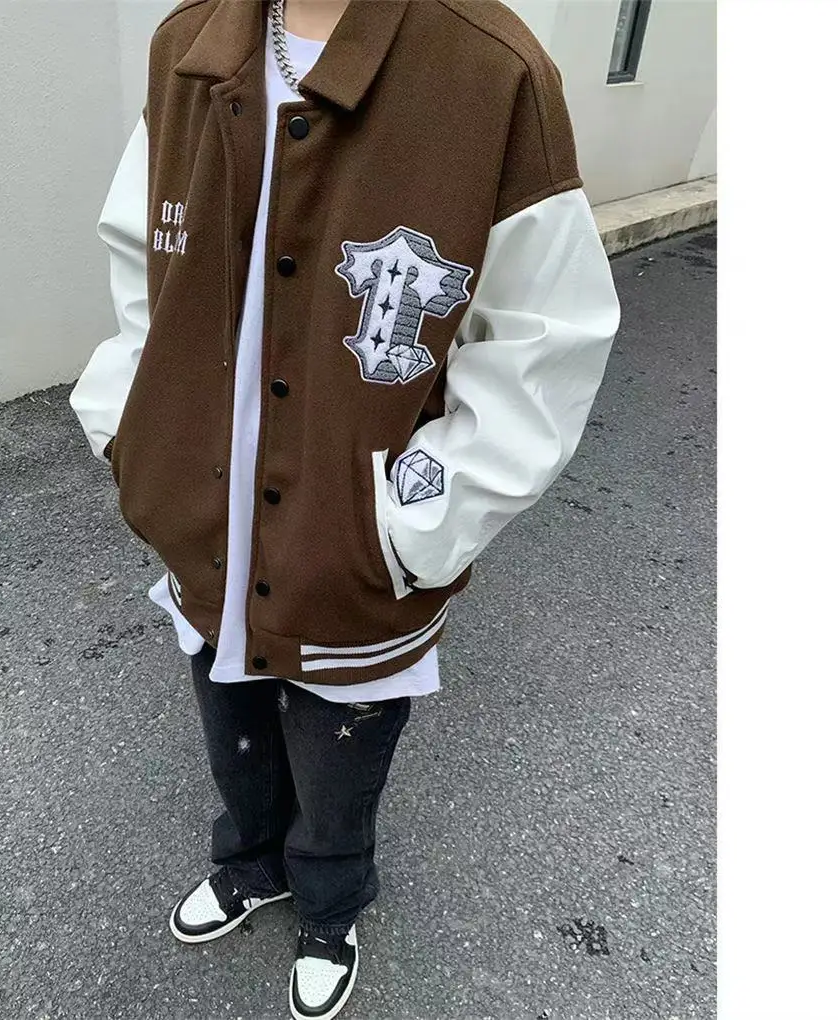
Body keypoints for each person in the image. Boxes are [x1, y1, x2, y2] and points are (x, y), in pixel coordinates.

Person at [70, 0, 620, 1016]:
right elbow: (143, 268)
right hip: (206, 521)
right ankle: (248, 862)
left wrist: (416, 525)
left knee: (340, 749)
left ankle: (329, 905)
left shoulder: (490, 70)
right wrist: (130, 432)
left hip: (354, 543)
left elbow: (545, 342)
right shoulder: (190, 45)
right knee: (227, 706)